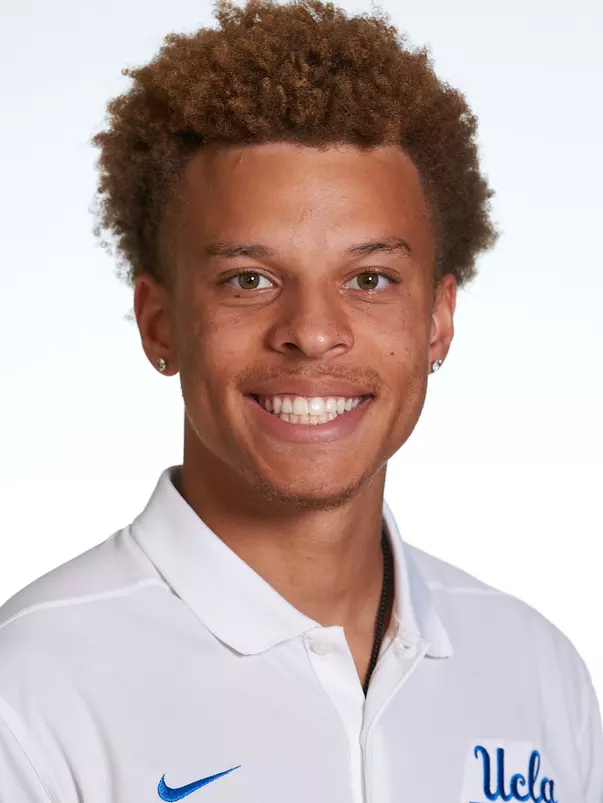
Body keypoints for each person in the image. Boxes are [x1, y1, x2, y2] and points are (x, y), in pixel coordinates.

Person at [1, 0, 601, 800]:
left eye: (369, 279)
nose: (313, 333)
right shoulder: (32, 690)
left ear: (437, 320)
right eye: (249, 279)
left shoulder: (537, 671)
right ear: (159, 322)